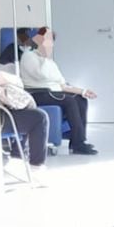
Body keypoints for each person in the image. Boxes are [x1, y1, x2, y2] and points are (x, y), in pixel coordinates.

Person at [17, 27, 99, 156]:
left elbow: (63, 85)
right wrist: (44, 55)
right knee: (69, 101)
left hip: (54, 93)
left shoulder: (51, 63)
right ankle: (79, 143)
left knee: (80, 100)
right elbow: (41, 75)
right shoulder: (28, 56)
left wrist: (83, 91)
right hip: (37, 93)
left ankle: (77, 142)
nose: (49, 44)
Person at [0, 66, 49, 170]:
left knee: (30, 112)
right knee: (39, 118)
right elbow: (6, 79)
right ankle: (33, 166)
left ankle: (17, 156)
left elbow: (16, 81)